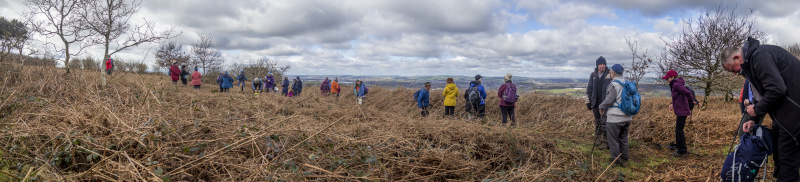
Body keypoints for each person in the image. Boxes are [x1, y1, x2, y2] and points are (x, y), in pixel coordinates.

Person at [721, 37, 800, 181]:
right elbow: (759, 96)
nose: (734, 74)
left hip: (794, 114)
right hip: (783, 117)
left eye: (733, 69)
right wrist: (753, 120)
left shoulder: (759, 56)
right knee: (779, 155)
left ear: (737, 57)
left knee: (787, 160)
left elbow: (777, 90)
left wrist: (757, 109)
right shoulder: (751, 64)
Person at [598, 64, 633, 167]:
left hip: (615, 117)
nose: (610, 74)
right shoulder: (627, 83)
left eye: (610, 72)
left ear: (613, 73)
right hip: (627, 116)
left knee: (613, 140)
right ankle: (625, 159)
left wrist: (601, 106)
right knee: (623, 138)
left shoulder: (613, 84)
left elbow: (609, 100)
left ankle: (616, 161)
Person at [662, 70, 699, 157]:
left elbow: (686, 92)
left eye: (668, 78)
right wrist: (672, 104)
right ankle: (680, 147)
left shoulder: (675, 84)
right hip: (681, 109)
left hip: (682, 110)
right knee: (679, 130)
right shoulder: (676, 84)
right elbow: (677, 97)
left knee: (679, 130)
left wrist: (692, 99)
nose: (667, 80)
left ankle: (682, 151)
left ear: (672, 77)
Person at [586, 56, 611, 149]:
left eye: (604, 64)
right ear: (597, 65)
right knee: (598, 122)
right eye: (600, 64)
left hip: (606, 103)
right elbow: (589, 88)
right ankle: (598, 139)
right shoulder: (593, 75)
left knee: (605, 122)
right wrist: (588, 101)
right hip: (595, 102)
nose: (602, 66)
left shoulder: (609, 75)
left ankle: (605, 141)